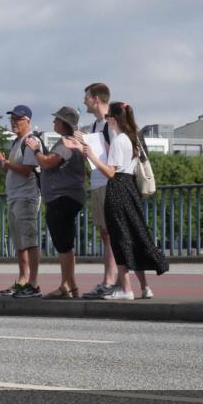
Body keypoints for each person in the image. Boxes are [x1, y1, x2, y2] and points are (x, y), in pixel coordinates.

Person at [73, 101, 168, 300]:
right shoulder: (133, 138)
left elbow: (110, 172)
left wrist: (91, 155)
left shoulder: (118, 141)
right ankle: (144, 286)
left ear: (113, 119)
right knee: (133, 234)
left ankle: (126, 289)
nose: (106, 121)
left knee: (119, 238)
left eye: (108, 118)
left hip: (117, 189)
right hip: (131, 188)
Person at [26, 107, 86, 299]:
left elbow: (48, 163)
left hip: (62, 197)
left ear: (64, 123)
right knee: (64, 243)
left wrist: (36, 150)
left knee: (63, 244)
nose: (54, 123)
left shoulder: (67, 143)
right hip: (66, 197)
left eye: (57, 120)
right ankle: (71, 286)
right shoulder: (71, 142)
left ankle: (65, 286)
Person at [0, 105, 41, 298]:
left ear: (28, 121)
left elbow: (26, 170)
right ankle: (22, 280)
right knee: (19, 242)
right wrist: (0, 162)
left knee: (29, 241)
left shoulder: (31, 140)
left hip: (26, 197)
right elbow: (11, 170)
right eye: (12, 118)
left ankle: (32, 283)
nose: (14, 122)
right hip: (15, 197)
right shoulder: (17, 142)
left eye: (18, 119)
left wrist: (5, 161)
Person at [78, 83, 118, 299]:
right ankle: (113, 278)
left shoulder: (111, 122)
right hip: (97, 181)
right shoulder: (95, 126)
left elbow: (115, 156)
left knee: (110, 233)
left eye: (86, 97)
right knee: (105, 233)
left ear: (95, 98)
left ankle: (111, 280)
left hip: (109, 182)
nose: (84, 101)